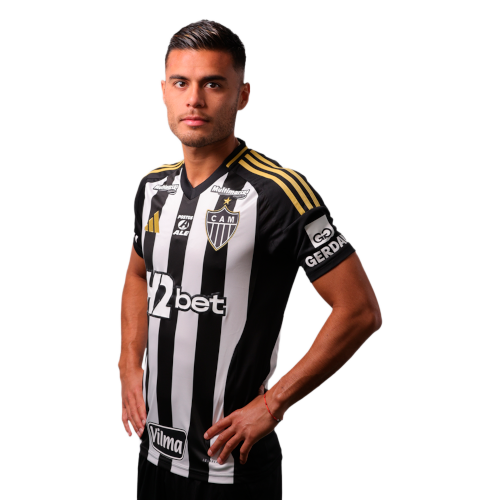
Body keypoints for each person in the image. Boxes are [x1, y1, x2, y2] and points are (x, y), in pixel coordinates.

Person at [118, 18, 383, 500]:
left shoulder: (279, 191)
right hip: (152, 455)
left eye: (213, 84)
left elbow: (360, 310)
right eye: (181, 83)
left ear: (242, 95)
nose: (194, 100)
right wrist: (127, 363)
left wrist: (274, 403)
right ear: (163, 92)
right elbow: (139, 272)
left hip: (231, 467)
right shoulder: (152, 187)